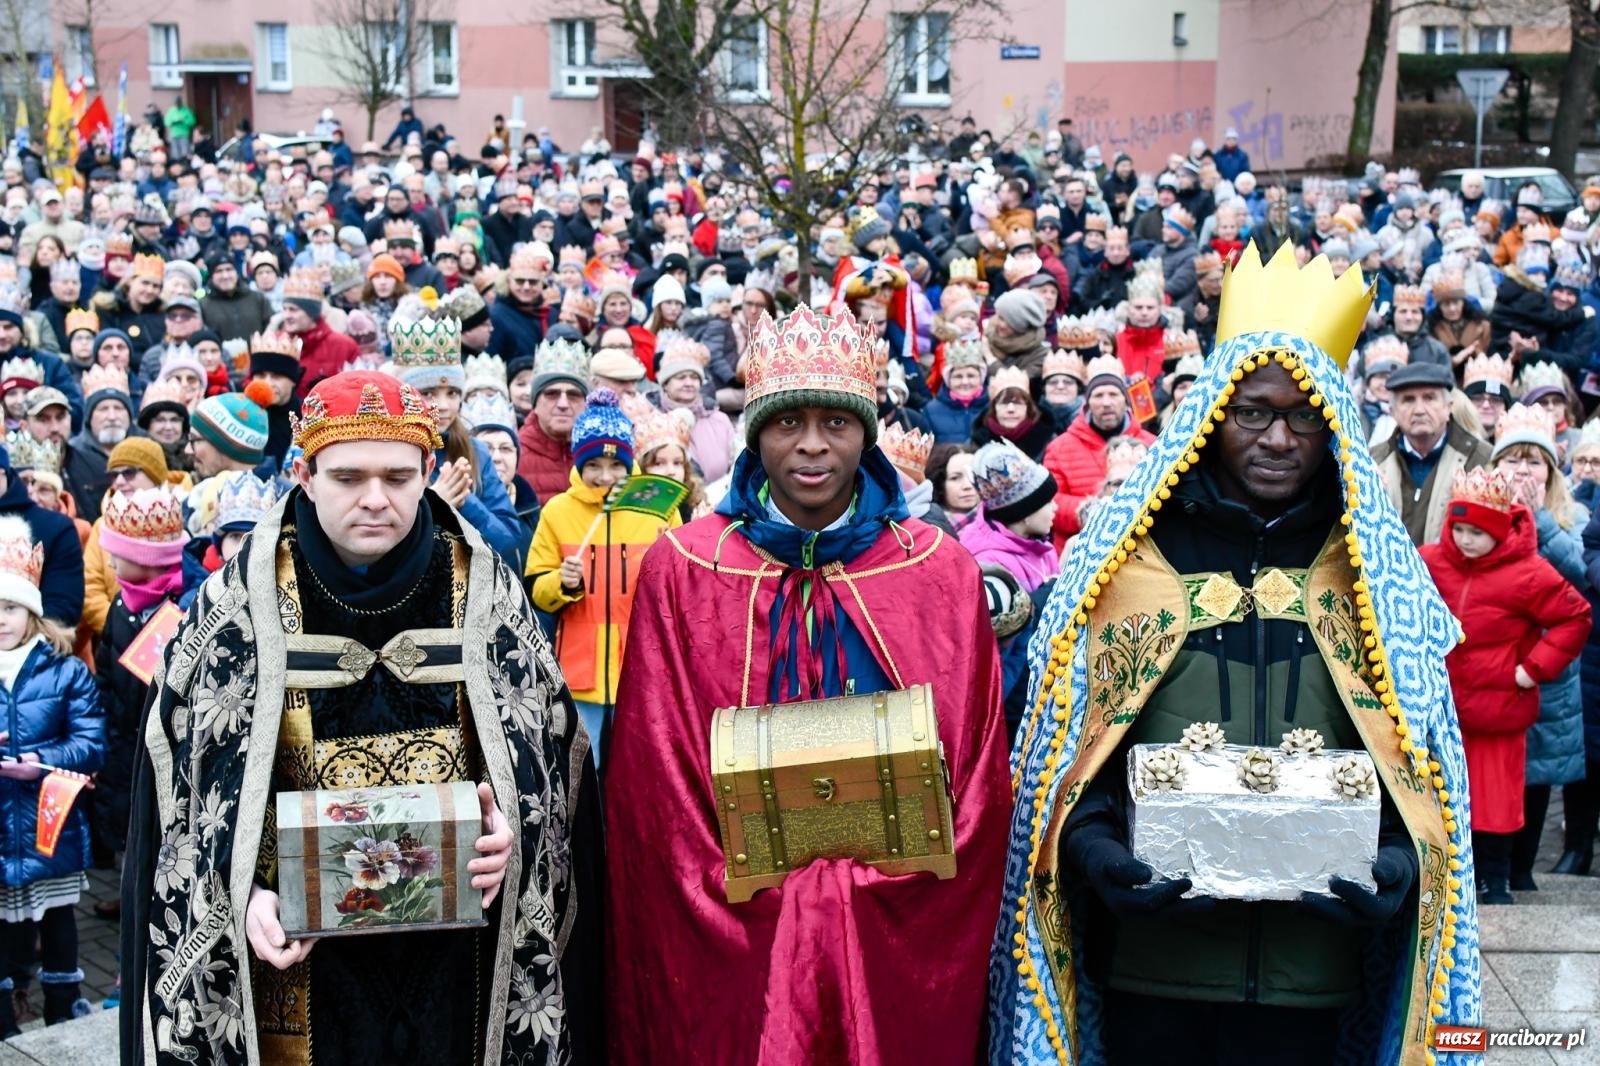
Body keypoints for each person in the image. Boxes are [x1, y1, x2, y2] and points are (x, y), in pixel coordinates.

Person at [997, 242, 1480, 1064]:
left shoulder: (1372, 575)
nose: (1279, 438)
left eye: (1303, 415)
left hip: (1314, 975)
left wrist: (1400, 864)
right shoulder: (1126, 565)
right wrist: (1093, 848)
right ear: (1215, 413)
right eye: (1253, 412)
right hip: (1150, 967)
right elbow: (1060, 757)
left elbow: (1420, 763)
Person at [120, 370, 600, 1065]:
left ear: (428, 472)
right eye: (348, 478)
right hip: (294, 962)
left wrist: (511, 836)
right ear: (305, 476)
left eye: (398, 477)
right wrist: (240, 892)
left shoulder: (487, 592)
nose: (376, 499)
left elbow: (545, 767)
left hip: (460, 963)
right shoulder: (237, 608)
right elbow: (187, 799)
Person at [605, 305, 1009, 1063]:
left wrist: (873, 888)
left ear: (867, 432)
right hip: (730, 917)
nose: (814, 445)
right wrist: (754, 889)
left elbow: (976, 770)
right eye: (789, 422)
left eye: (837, 422)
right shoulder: (684, 568)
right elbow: (654, 779)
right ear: (755, 433)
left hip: (899, 912)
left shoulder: (936, 570)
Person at [1422, 467, 1589, 904]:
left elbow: (1575, 616)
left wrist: (1532, 670)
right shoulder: (1431, 560)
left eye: (1477, 532)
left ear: (1498, 531)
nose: (1465, 540)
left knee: (1496, 802)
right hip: (1444, 710)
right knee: (1445, 797)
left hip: (1500, 710)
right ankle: (1451, 878)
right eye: (1458, 529)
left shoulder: (1529, 572)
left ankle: (1496, 880)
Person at [526, 389, 677, 770]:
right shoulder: (558, 511)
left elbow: (681, 587)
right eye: (593, 465)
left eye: (615, 465)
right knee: (581, 765)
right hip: (580, 668)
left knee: (638, 764)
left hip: (641, 664)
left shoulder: (658, 509)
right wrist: (563, 583)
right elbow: (536, 591)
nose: (605, 476)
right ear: (579, 463)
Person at [0, 516, 102, 1035]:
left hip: (50, 824)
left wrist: (37, 760)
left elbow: (91, 743)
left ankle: (65, 1009)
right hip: (1, 828)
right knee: (3, 928)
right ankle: (4, 1016)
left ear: (32, 611)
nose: (0, 619)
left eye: (10, 607)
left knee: (59, 919)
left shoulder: (66, 670)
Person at [1489, 405, 1591, 895]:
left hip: (1549, 670)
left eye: (1534, 461)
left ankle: (1523, 869)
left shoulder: (1572, 517)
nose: (1522, 471)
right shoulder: (1480, 511)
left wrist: (1539, 520)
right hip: (1496, 664)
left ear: (1550, 470)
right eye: (1513, 459)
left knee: (1538, 771)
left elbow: (1578, 573)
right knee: (1497, 768)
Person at [1371, 361, 1493, 546]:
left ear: (1448, 407)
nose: (1419, 410)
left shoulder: (1480, 458)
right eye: (1408, 400)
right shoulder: (1374, 461)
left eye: (1429, 398)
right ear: (1392, 411)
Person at [1042, 355, 1157, 547]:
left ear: (1126, 400)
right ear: (1087, 402)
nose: (1106, 402)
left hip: (1141, 546)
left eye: (1113, 394)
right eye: (1098, 395)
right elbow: (1050, 500)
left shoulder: (1152, 444)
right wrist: (1091, 511)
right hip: (1079, 548)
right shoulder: (1059, 448)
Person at [960, 439, 1060, 593]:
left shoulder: (1043, 547)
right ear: (1026, 511)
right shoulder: (989, 563)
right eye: (1048, 502)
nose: (1055, 507)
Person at [517, 336, 591, 504]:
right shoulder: (513, 456)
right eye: (552, 394)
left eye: (573, 395)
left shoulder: (600, 452)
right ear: (535, 404)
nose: (563, 404)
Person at [971, 365, 1055, 459]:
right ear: (994, 408)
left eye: (1018, 403)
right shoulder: (976, 444)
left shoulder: (1051, 442)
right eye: (1004, 403)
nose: (1011, 409)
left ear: (1028, 408)